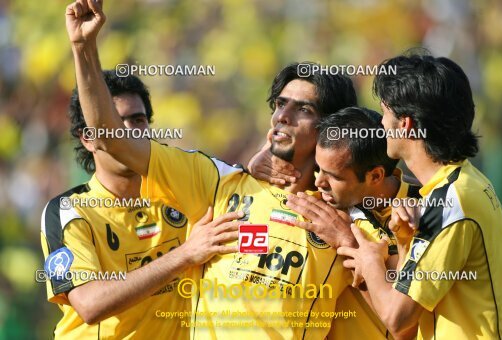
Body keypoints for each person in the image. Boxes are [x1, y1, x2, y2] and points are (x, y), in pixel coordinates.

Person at [64, 1, 359, 338]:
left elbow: (398, 307)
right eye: (280, 104)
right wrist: (83, 47)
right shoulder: (217, 183)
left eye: (303, 108)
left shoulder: (344, 219)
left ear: (330, 128)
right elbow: (110, 138)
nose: (282, 116)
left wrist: (352, 240)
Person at [41, 70, 243, 339]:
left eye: (137, 120)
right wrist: (184, 254)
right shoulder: (69, 211)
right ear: (87, 138)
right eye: (114, 123)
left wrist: (256, 167)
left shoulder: (181, 193)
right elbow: (90, 304)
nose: (127, 132)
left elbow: (241, 194)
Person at [338, 52, 502, 339]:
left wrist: (369, 261)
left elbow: (397, 317)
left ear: (404, 124)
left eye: (384, 113)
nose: (381, 124)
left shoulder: (450, 201)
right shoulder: (468, 182)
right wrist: (405, 243)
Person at [254, 107, 420, 339]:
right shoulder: (323, 201)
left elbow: (405, 329)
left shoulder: (425, 212)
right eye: (318, 168)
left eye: (334, 176)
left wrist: (347, 243)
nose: (319, 181)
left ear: (375, 176)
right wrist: (258, 160)